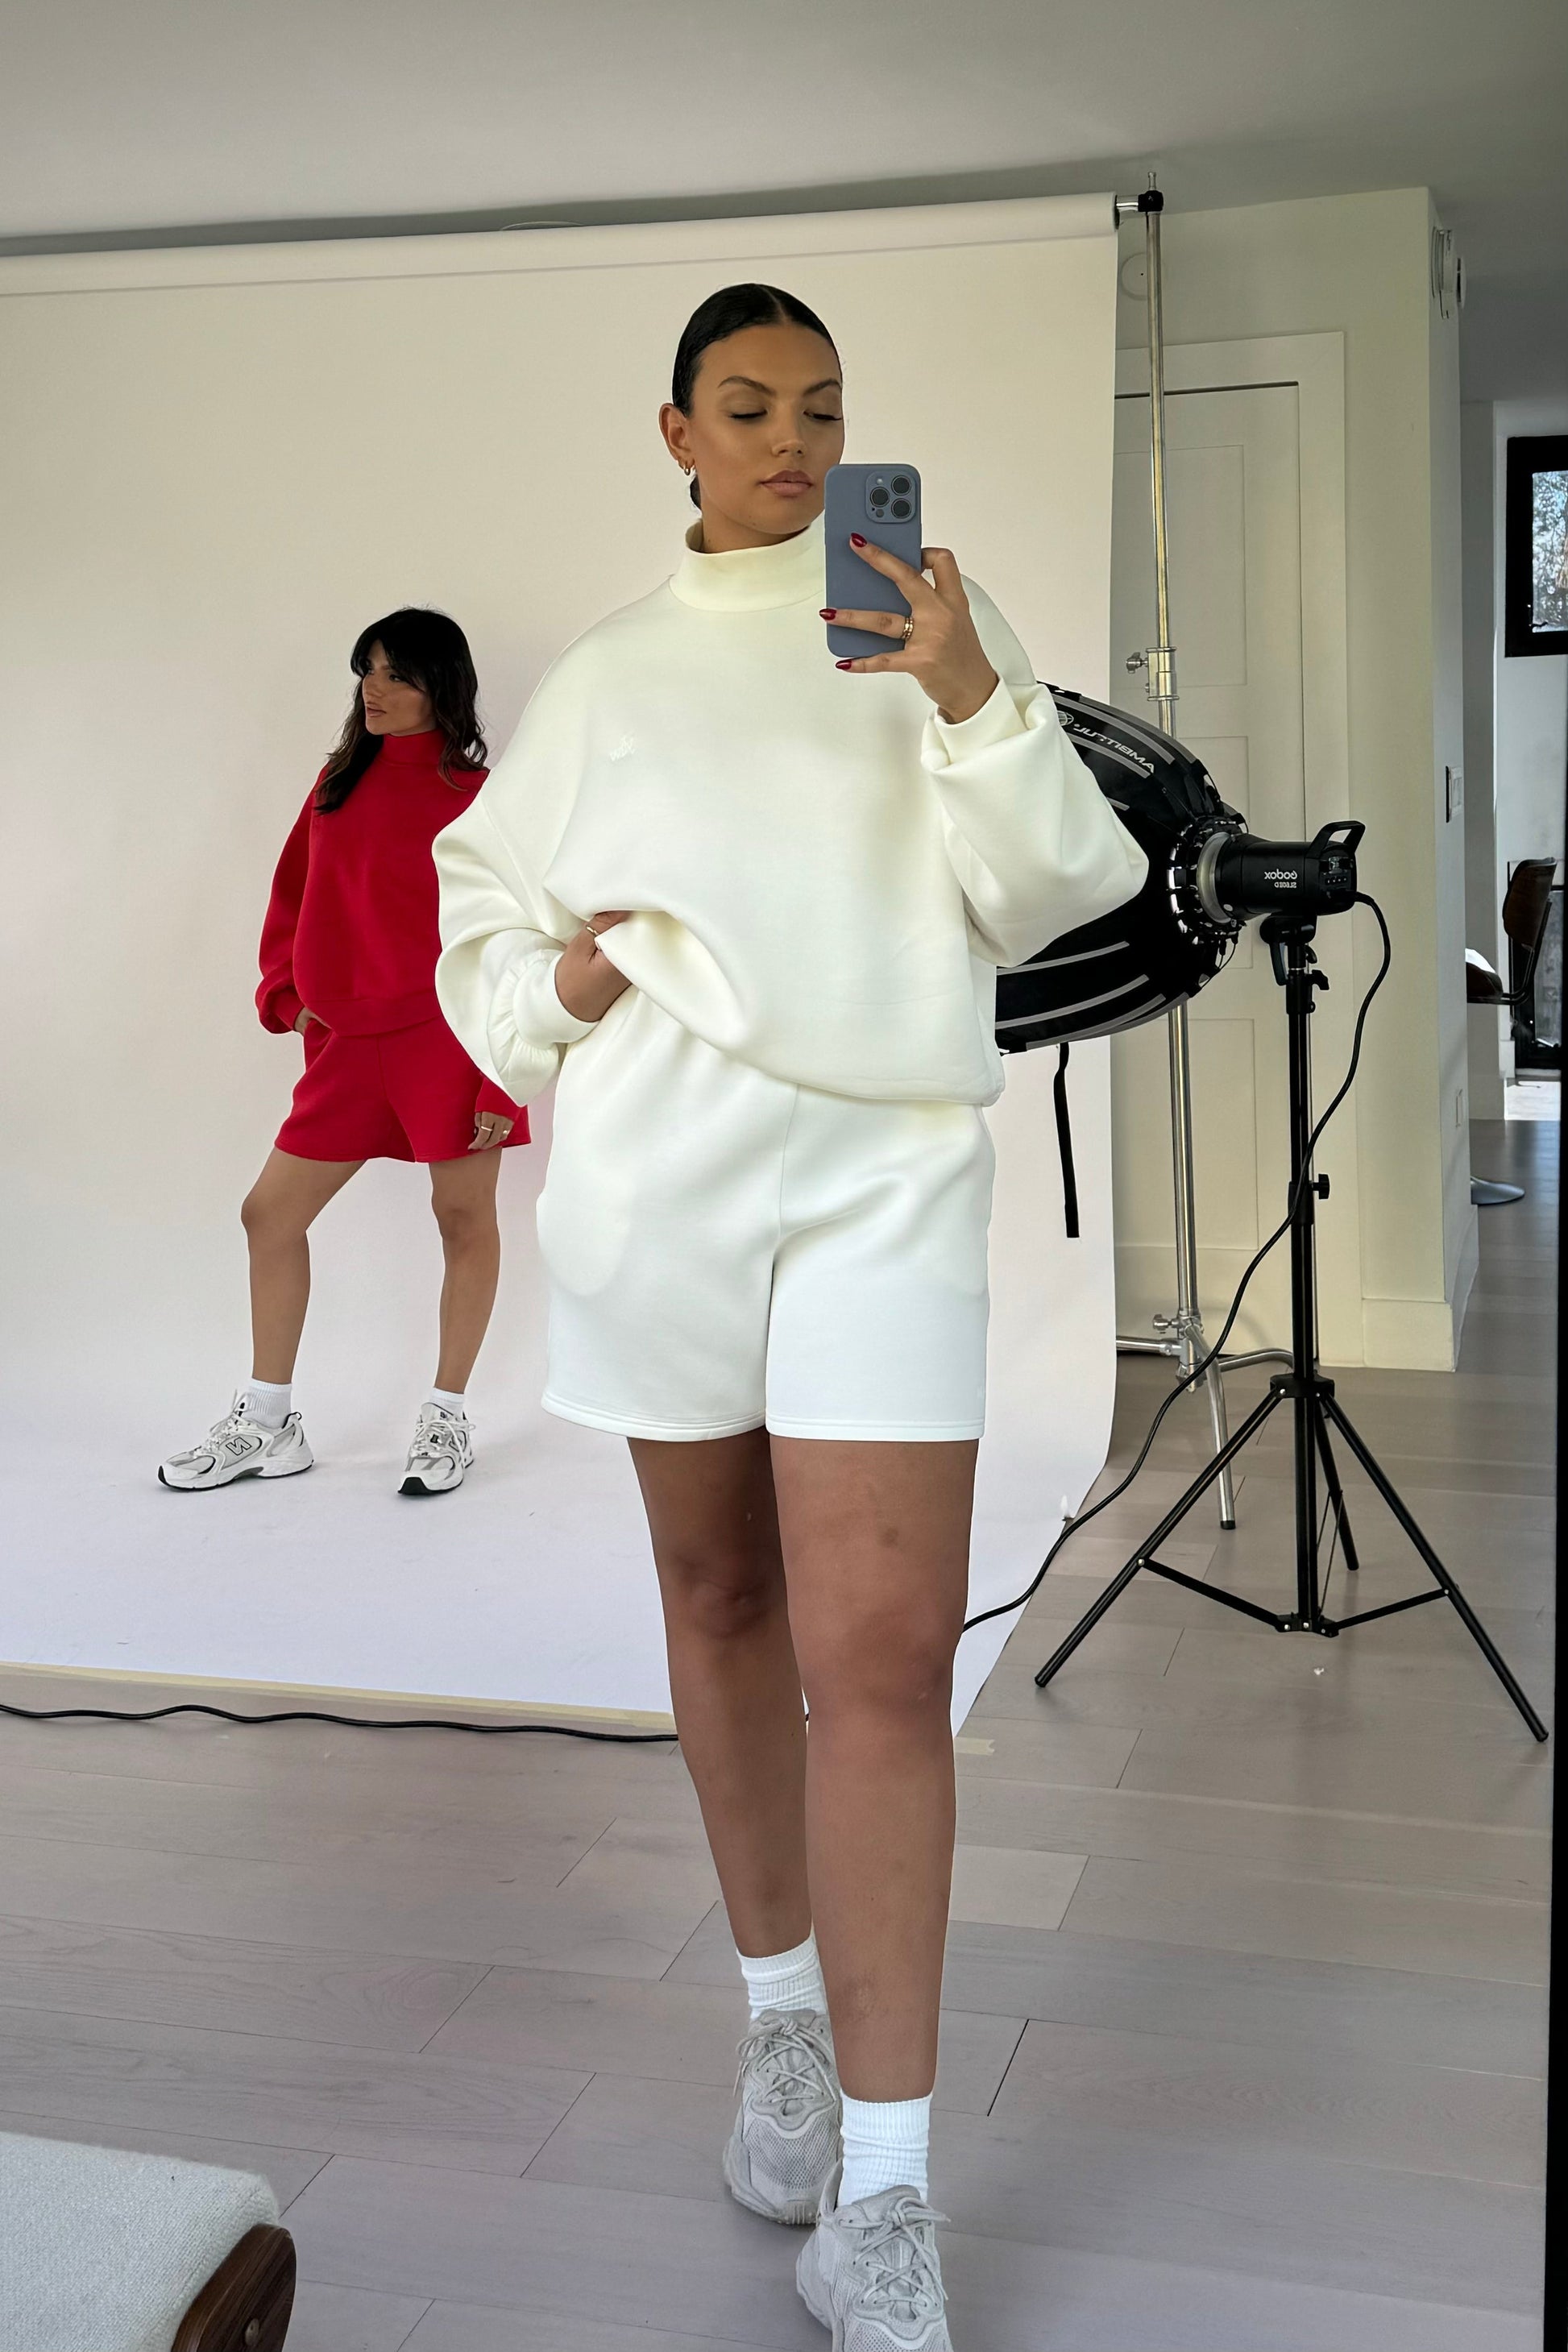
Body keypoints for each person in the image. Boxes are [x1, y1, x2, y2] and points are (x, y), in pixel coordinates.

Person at [434, 287, 1146, 2346]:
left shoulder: (927, 623)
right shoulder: (611, 675)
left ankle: (894, 2193)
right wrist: (569, 981)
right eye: (747, 408)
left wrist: (969, 696)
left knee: (890, 1654)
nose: (792, 442)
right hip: (663, 1184)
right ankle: (779, 2029)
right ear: (675, 432)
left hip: (885, 1182)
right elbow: (486, 927)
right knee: (723, 1597)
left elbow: (1063, 892)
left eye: (823, 409)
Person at [160, 608, 525, 1500]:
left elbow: (515, 938)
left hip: (450, 1040)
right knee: (269, 1215)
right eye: (367, 669)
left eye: (396, 673)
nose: (374, 688)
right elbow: (293, 892)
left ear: (442, 685)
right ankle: (268, 1421)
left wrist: (503, 1077)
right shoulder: (335, 785)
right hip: (348, 1046)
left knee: (461, 1219)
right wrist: (286, 996)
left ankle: (446, 1414)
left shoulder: (485, 798)